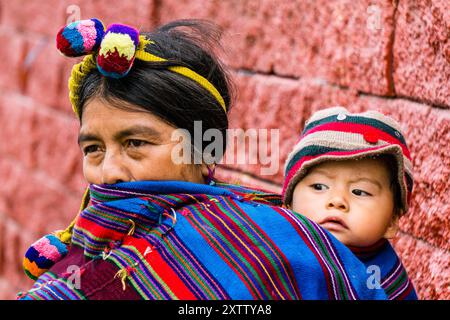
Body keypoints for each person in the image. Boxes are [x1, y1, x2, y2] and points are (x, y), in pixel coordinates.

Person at [18, 18, 388, 300]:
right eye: (93, 149)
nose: (109, 172)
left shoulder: (279, 246)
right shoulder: (84, 254)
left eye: (135, 143)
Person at [281, 106, 418, 300]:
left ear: (392, 221)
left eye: (360, 191)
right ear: (288, 205)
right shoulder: (274, 254)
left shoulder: (385, 281)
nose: (337, 201)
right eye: (319, 187)